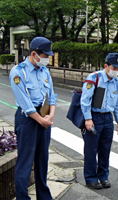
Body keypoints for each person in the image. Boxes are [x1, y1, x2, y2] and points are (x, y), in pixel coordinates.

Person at [10, 37, 57, 200]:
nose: (47, 59)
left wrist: (51, 115)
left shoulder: (45, 71)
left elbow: (51, 95)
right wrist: (41, 120)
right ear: (34, 53)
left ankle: (44, 196)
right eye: (45, 56)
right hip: (28, 119)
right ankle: (23, 197)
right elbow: (24, 102)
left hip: (44, 117)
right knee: (25, 160)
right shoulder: (18, 72)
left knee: (42, 159)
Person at [81, 53, 118, 189]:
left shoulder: (116, 82)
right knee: (91, 149)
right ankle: (91, 178)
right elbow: (85, 100)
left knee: (105, 149)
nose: (116, 71)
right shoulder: (94, 78)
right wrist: (88, 119)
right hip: (94, 117)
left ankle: (103, 176)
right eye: (114, 68)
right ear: (106, 66)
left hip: (107, 118)